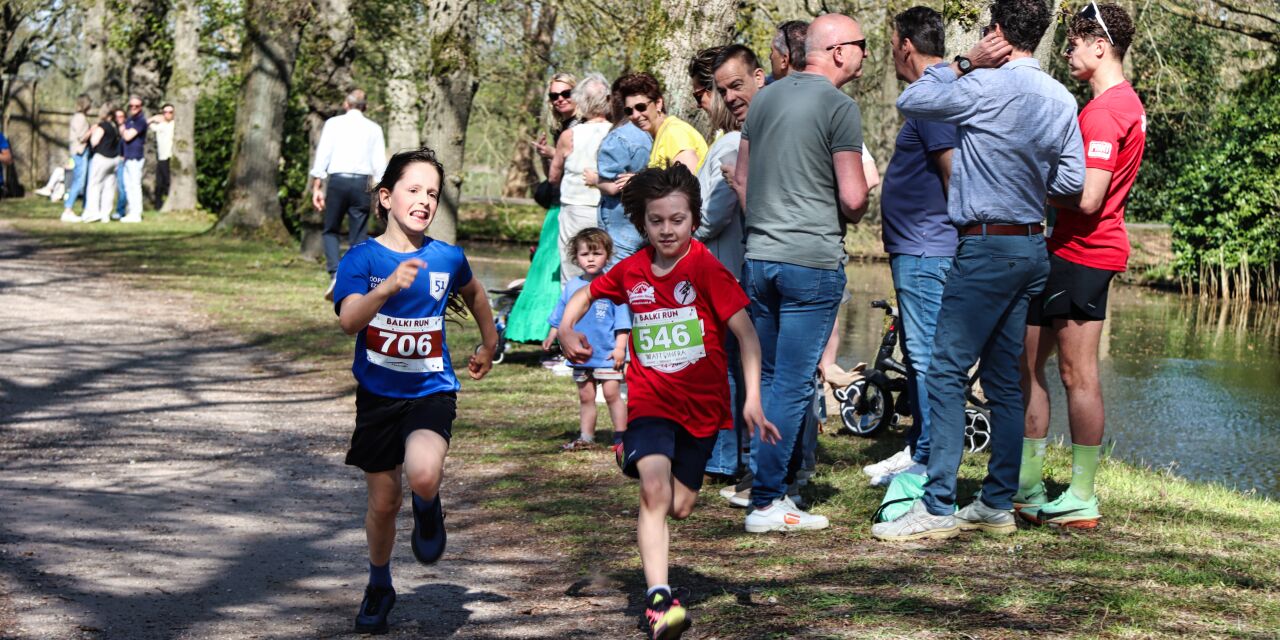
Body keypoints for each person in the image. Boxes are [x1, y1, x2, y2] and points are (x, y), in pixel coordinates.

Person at [872, 0, 1085, 542]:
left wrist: (965, 62)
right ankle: (994, 503)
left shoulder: (982, 85)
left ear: (997, 33)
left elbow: (911, 100)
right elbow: (1071, 183)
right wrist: (1024, 177)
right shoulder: (1061, 97)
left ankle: (937, 505)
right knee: (1004, 380)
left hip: (985, 246)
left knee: (945, 370)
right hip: (1031, 247)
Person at [557, 165, 778, 640]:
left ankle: (635, 459)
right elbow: (584, 296)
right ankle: (659, 599)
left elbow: (747, 336)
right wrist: (566, 330)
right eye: (656, 220)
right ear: (643, 223)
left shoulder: (706, 269)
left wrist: (753, 399)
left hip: (701, 410)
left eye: (677, 219)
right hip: (650, 402)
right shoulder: (631, 270)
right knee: (654, 492)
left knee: (679, 506)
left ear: (694, 219)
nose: (667, 229)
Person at [332, 146, 498, 635]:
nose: (424, 200)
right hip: (378, 397)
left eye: (433, 193)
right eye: (414, 190)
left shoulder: (447, 257)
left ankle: (428, 507)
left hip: (431, 389)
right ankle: (379, 584)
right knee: (384, 504)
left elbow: (475, 293)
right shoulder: (362, 258)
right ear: (386, 197)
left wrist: (490, 343)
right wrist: (387, 287)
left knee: (424, 474)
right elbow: (349, 320)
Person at [733, 13, 870, 533]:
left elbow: (742, 180)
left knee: (770, 376)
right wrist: (857, 201)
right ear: (838, 51)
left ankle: (771, 487)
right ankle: (768, 501)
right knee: (792, 383)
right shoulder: (839, 107)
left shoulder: (764, 99)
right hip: (811, 261)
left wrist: (767, 225)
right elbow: (853, 199)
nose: (865, 54)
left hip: (760, 257)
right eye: (861, 45)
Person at [1018, 2, 1145, 529]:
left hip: (1083, 254)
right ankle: (1026, 485)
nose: (1068, 53)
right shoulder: (1120, 104)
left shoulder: (1105, 112)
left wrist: (1029, 185)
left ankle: (1080, 496)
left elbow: (1090, 198)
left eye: (1074, 45)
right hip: (1067, 251)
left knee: (1076, 374)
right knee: (1027, 363)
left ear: (1100, 46)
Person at [861, 6, 959, 487]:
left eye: (891, 44)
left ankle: (928, 461)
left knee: (924, 356)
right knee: (919, 352)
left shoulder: (932, 100)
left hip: (927, 249)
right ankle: (920, 448)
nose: (890, 55)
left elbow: (953, 174)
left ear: (906, 45)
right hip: (917, 248)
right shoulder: (933, 97)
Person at [697, 44, 765, 493]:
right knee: (734, 365)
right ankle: (733, 455)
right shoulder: (730, 141)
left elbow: (713, 215)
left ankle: (725, 457)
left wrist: (678, 229)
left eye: (724, 89)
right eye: (720, 90)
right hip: (730, 269)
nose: (720, 99)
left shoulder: (730, 143)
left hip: (727, 271)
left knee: (724, 366)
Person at [504, 74, 579, 345]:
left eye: (566, 93)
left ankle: (560, 337)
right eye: (553, 95)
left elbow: (581, 170)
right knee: (544, 271)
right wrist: (546, 157)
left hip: (573, 208)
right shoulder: (561, 128)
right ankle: (540, 333)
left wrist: (555, 154)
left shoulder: (583, 127)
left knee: (563, 273)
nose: (560, 99)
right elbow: (553, 179)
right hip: (556, 208)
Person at [544, 227, 630, 450]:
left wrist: (620, 348)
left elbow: (622, 322)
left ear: (607, 256)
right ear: (576, 257)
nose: (591, 259)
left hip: (607, 354)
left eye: (597, 253)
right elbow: (561, 315)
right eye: (585, 254)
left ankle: (622, 437)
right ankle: (586, 437)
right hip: (581, 356)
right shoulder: (572, 286)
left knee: (612, 394)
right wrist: (552, 334)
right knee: (586, 396)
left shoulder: (612, 285)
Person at [311, 89, 388, 301]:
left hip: (338, 180)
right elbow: (379, 165)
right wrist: (380, 194)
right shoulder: (374, 129)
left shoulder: (333, 124)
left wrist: (317, 186)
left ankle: (335, 273)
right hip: (362, 184)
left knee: (331, 229)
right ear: (365, 106)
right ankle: (353, 277)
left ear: (346, 104)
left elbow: (323, 154)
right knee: (359, 234)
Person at [548, 74, 612, 284]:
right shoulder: (616, 132)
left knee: (572, 267)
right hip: (607, 206)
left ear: (581, 102)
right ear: (608, 100)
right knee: (605, 265)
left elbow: (553, 176)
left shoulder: (570, 135)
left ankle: (572, 302)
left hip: (575, 207)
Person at [589, 75, 653, 266]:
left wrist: (595, 180)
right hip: (649, 221)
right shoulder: (652, 132)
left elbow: (613, 187)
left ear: (612, 101)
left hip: (621, 223)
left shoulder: (618, 138)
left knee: (616, 277)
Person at [616, 72, 707, 171]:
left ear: (658, 103)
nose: (635, 115)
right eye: (629, 111)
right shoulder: (661, 134)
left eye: (641, 107)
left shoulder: (674, 133)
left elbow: (689, 178)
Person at [81, 103, 122, 224]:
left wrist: (92, 133)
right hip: (114, 159)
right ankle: (105, 214)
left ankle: (92, 213)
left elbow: (94, 141)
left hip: (102, 158)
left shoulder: (102, 126)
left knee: (94, 185)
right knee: (109, 187)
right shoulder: (115, 126)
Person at [61, 94, 94, 222]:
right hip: (80, 153)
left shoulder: (79, 117)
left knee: (80, 181)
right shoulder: (80, 118)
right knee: (79, 182)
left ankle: (83, 209)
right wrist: (92, 130)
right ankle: (68, 209)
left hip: (79, 152)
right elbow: (81, 137)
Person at [117, 96, 147, 223]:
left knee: (135, 185)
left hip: (136, 156)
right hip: (127, 156)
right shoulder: (129, 120)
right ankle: (131, 211)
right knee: (128, 186)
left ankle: (137, 213)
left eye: (137, 106)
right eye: (131, 106)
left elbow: (128, 136)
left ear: (141, 107)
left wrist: (122, 127)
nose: (133, 108)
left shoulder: (141, 121)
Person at [148, 103, 175, 210]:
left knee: (168, 181)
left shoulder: (174, 124)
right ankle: (158, 205)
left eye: (170, 112)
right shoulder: (160, 125)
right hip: (161, 157)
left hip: (170, 156)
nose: (168, 114)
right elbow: (147, 124)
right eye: (165, 112)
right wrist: (153, 118)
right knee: (159, 183)